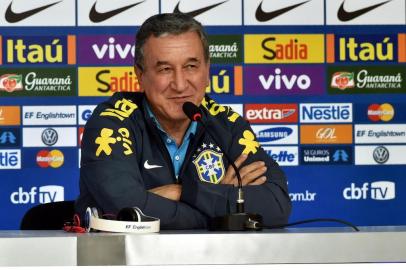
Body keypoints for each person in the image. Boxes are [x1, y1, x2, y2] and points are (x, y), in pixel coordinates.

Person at [75, 13, 291, 229]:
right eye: (165, 69)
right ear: (139, 75)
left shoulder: (228, 125)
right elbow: (126, 212)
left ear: (207, 71)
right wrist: (222, 207)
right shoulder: (111, 124)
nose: (179, 85)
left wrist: (185, 192)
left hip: (212, 262)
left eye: (190, 67)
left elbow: (277, 206)